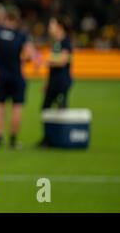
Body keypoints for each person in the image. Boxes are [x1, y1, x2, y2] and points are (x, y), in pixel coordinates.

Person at [0, 6, 37, 149]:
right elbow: (30, 54)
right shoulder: (21, 35)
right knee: (16, 107)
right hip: (16, 75)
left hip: (0, 76)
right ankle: (13, 140)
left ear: (6, 18)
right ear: (17, 20)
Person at [38, 16, 73, 147]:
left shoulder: (65, 42)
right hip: (53, 81)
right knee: (45, 108)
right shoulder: (56, 43)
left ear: (59, 26)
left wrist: (45, 61)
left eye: (51, 24)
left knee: (61, 109)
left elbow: (62, 60)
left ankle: (61, 138)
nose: (49, 27)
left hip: (62, 82)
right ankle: (48, 138)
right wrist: (47, 82)